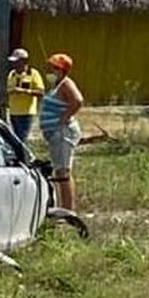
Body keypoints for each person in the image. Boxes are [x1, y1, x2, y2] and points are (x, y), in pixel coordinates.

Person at [40, 53, 84, 211]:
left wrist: (64, 117)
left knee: (64, 172)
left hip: (62, 132)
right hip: (55, 134)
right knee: (59, 171)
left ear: (61, 70)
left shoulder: (66, 84)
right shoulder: (56, 85)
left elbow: (77, 100)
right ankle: (62, 207)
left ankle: (68, 209)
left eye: (53, 68)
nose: (50, 71)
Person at [5, 48, 44, 141]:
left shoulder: (33, 74)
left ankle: (24, 155)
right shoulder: (12, 74)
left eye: (16, 61)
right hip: (13, 112)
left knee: (22, 139)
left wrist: (24, 91)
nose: (14, 64)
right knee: (15, 139)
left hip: (26, 113)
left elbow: (41, 92)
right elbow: (8, 89)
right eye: (13, 62)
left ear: (24, 61)